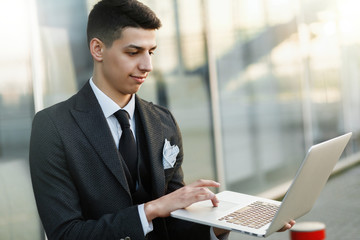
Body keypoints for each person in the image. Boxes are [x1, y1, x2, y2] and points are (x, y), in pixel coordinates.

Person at [29, 0, 295, 239]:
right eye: (133, 52)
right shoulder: (52, 128)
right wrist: (151, 210)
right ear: (98, 49)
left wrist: (224, 223)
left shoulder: (163, 121)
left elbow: (176, 223)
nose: (147, 66)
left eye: (151, 52)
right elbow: (65, 234)